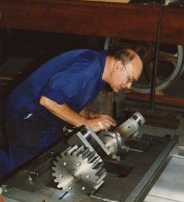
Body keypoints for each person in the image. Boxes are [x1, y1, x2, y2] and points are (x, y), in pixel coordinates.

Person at [5, 48, 143, 170]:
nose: (129, 86)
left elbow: (69, 97)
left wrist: (89, 115)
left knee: (49, 159)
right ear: (118, 66)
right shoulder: (89, 67)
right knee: (24, 170)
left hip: (47, 118)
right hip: (26, 114)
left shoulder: (102, 70)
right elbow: (48, 100)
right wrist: (86, 123)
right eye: (129, 79)